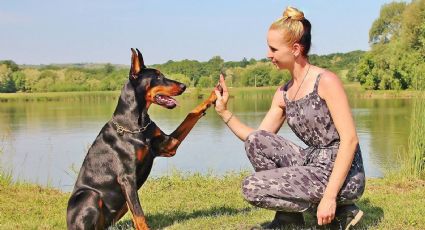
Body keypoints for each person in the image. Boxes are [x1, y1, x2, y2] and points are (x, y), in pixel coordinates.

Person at [213, 6, 365, 229]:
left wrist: (329, 197)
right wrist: (225, 112)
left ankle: (341, 208)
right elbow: (256, 138)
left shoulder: (326, 81)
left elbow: (350, 140)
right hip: (312, 164)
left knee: (251, 187)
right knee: (257, 142)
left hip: (344, 173)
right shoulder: (283, 93)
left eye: (273, 48)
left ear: (295, 49)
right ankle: (288, 219)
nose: (268, 54)